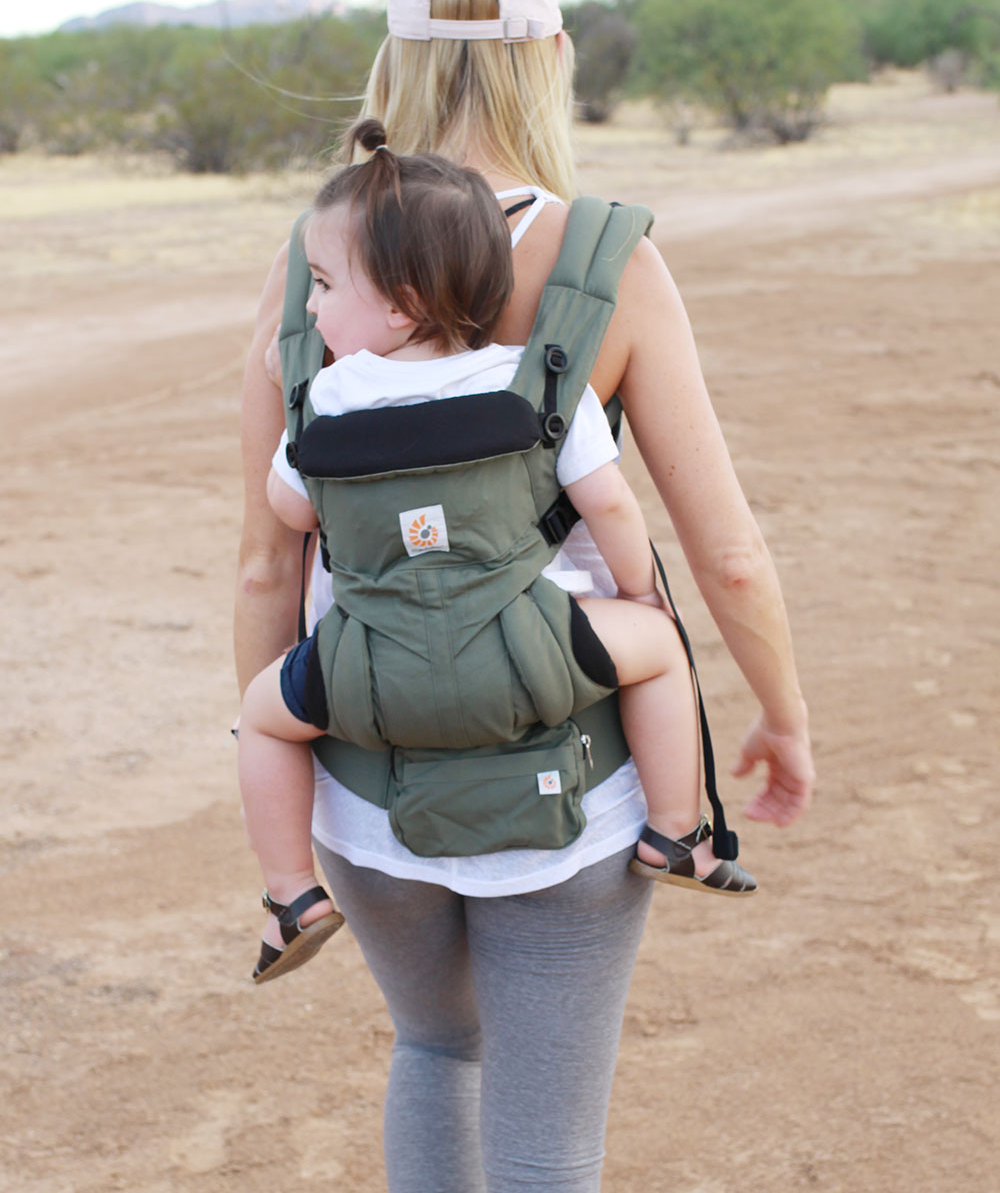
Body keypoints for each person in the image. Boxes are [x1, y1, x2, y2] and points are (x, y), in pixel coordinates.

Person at [235, 0, 813, 1190]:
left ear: (392, 61)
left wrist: (293, 741)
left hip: (364, 768)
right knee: (548, 1141)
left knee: (437, 1049)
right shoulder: (610, 257)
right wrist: (781, 714)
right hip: (569, 770)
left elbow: (264, 561)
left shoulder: (315, 260)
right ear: (549, 54)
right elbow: (720, 554)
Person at [238, 120, 756, 982]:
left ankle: (292, 893)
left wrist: (291, 388)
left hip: (368, 672)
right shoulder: (528, 385)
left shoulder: (325, 403)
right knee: (661, 654)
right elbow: (612, 504)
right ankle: (677, 832)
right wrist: (637, 593)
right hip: (528, 652)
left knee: (261, 714)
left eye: (325, 286)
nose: (312, 307)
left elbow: (285, 513)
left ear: (400, 304)